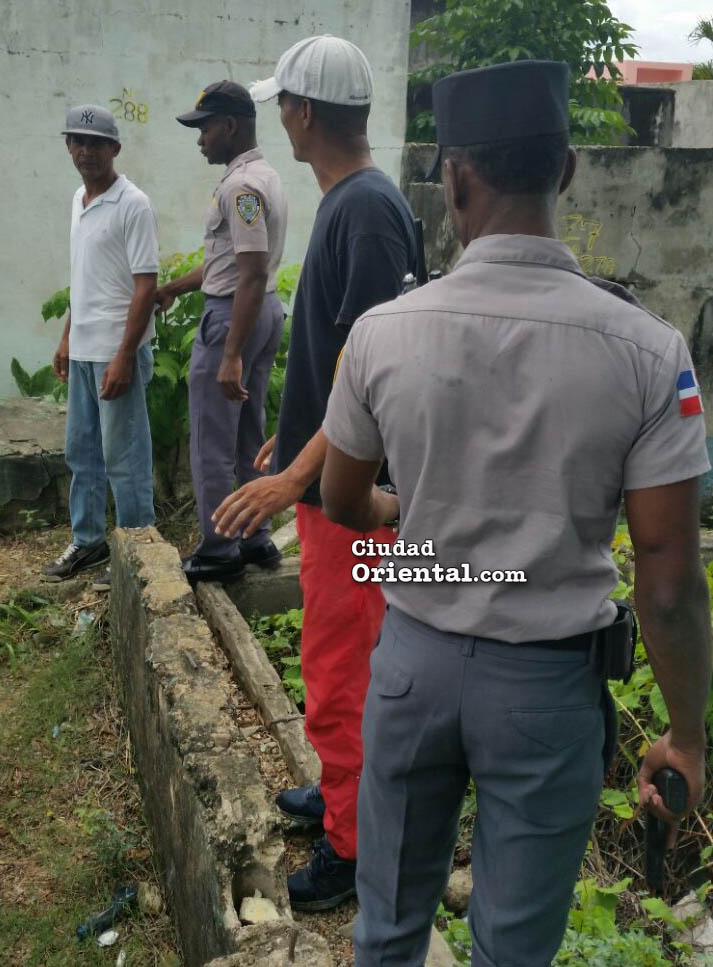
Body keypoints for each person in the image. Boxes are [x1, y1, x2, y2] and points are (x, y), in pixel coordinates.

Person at [320, 60, 712, 966]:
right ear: (565, 170)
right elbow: (666, 578)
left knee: (384, 930)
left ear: (453, 178)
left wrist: (408, 505)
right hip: (546, 691)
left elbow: (342, 499)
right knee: (512, 951)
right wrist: (687, 732)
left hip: (412, 668)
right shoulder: (649, 352)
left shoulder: (383, 330)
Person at [212, 36, 417, 910]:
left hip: (355, 502)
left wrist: (293, 476)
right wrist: (292, 438)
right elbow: (335, 359)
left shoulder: (364, 210)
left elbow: (368, 381)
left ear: (302, 112)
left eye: (281, 106)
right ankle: (338, 799)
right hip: (336, 482)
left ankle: (351, 845)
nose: (280, 119)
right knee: (332, 660)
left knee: (343, 669)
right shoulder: (350, 204)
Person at [155, 82, 288, 583]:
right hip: (261, 311)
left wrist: (230, 353)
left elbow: (248, 272)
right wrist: (173, 287)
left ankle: (218, 548)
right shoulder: (264, 175)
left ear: (230, 125)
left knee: (213, 438)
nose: (200, 139)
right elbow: (229, 266)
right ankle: (255, 537)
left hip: (236, 317)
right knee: (248, 436)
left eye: (204, 128)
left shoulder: (240, 188)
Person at [43, 105, 158, 587]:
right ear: (68, 146)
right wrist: (68, 336)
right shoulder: (79, 199)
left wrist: (125, 356)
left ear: (115, 148)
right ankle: (88, 541)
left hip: (117, 354)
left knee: (124, 459)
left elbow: (146, 285)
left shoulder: (133, 204)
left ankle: (138, 552)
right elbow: (84, 279)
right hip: (86, 349)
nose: (85, 151)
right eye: (77, 141)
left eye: (96, 143)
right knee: (82, 452)